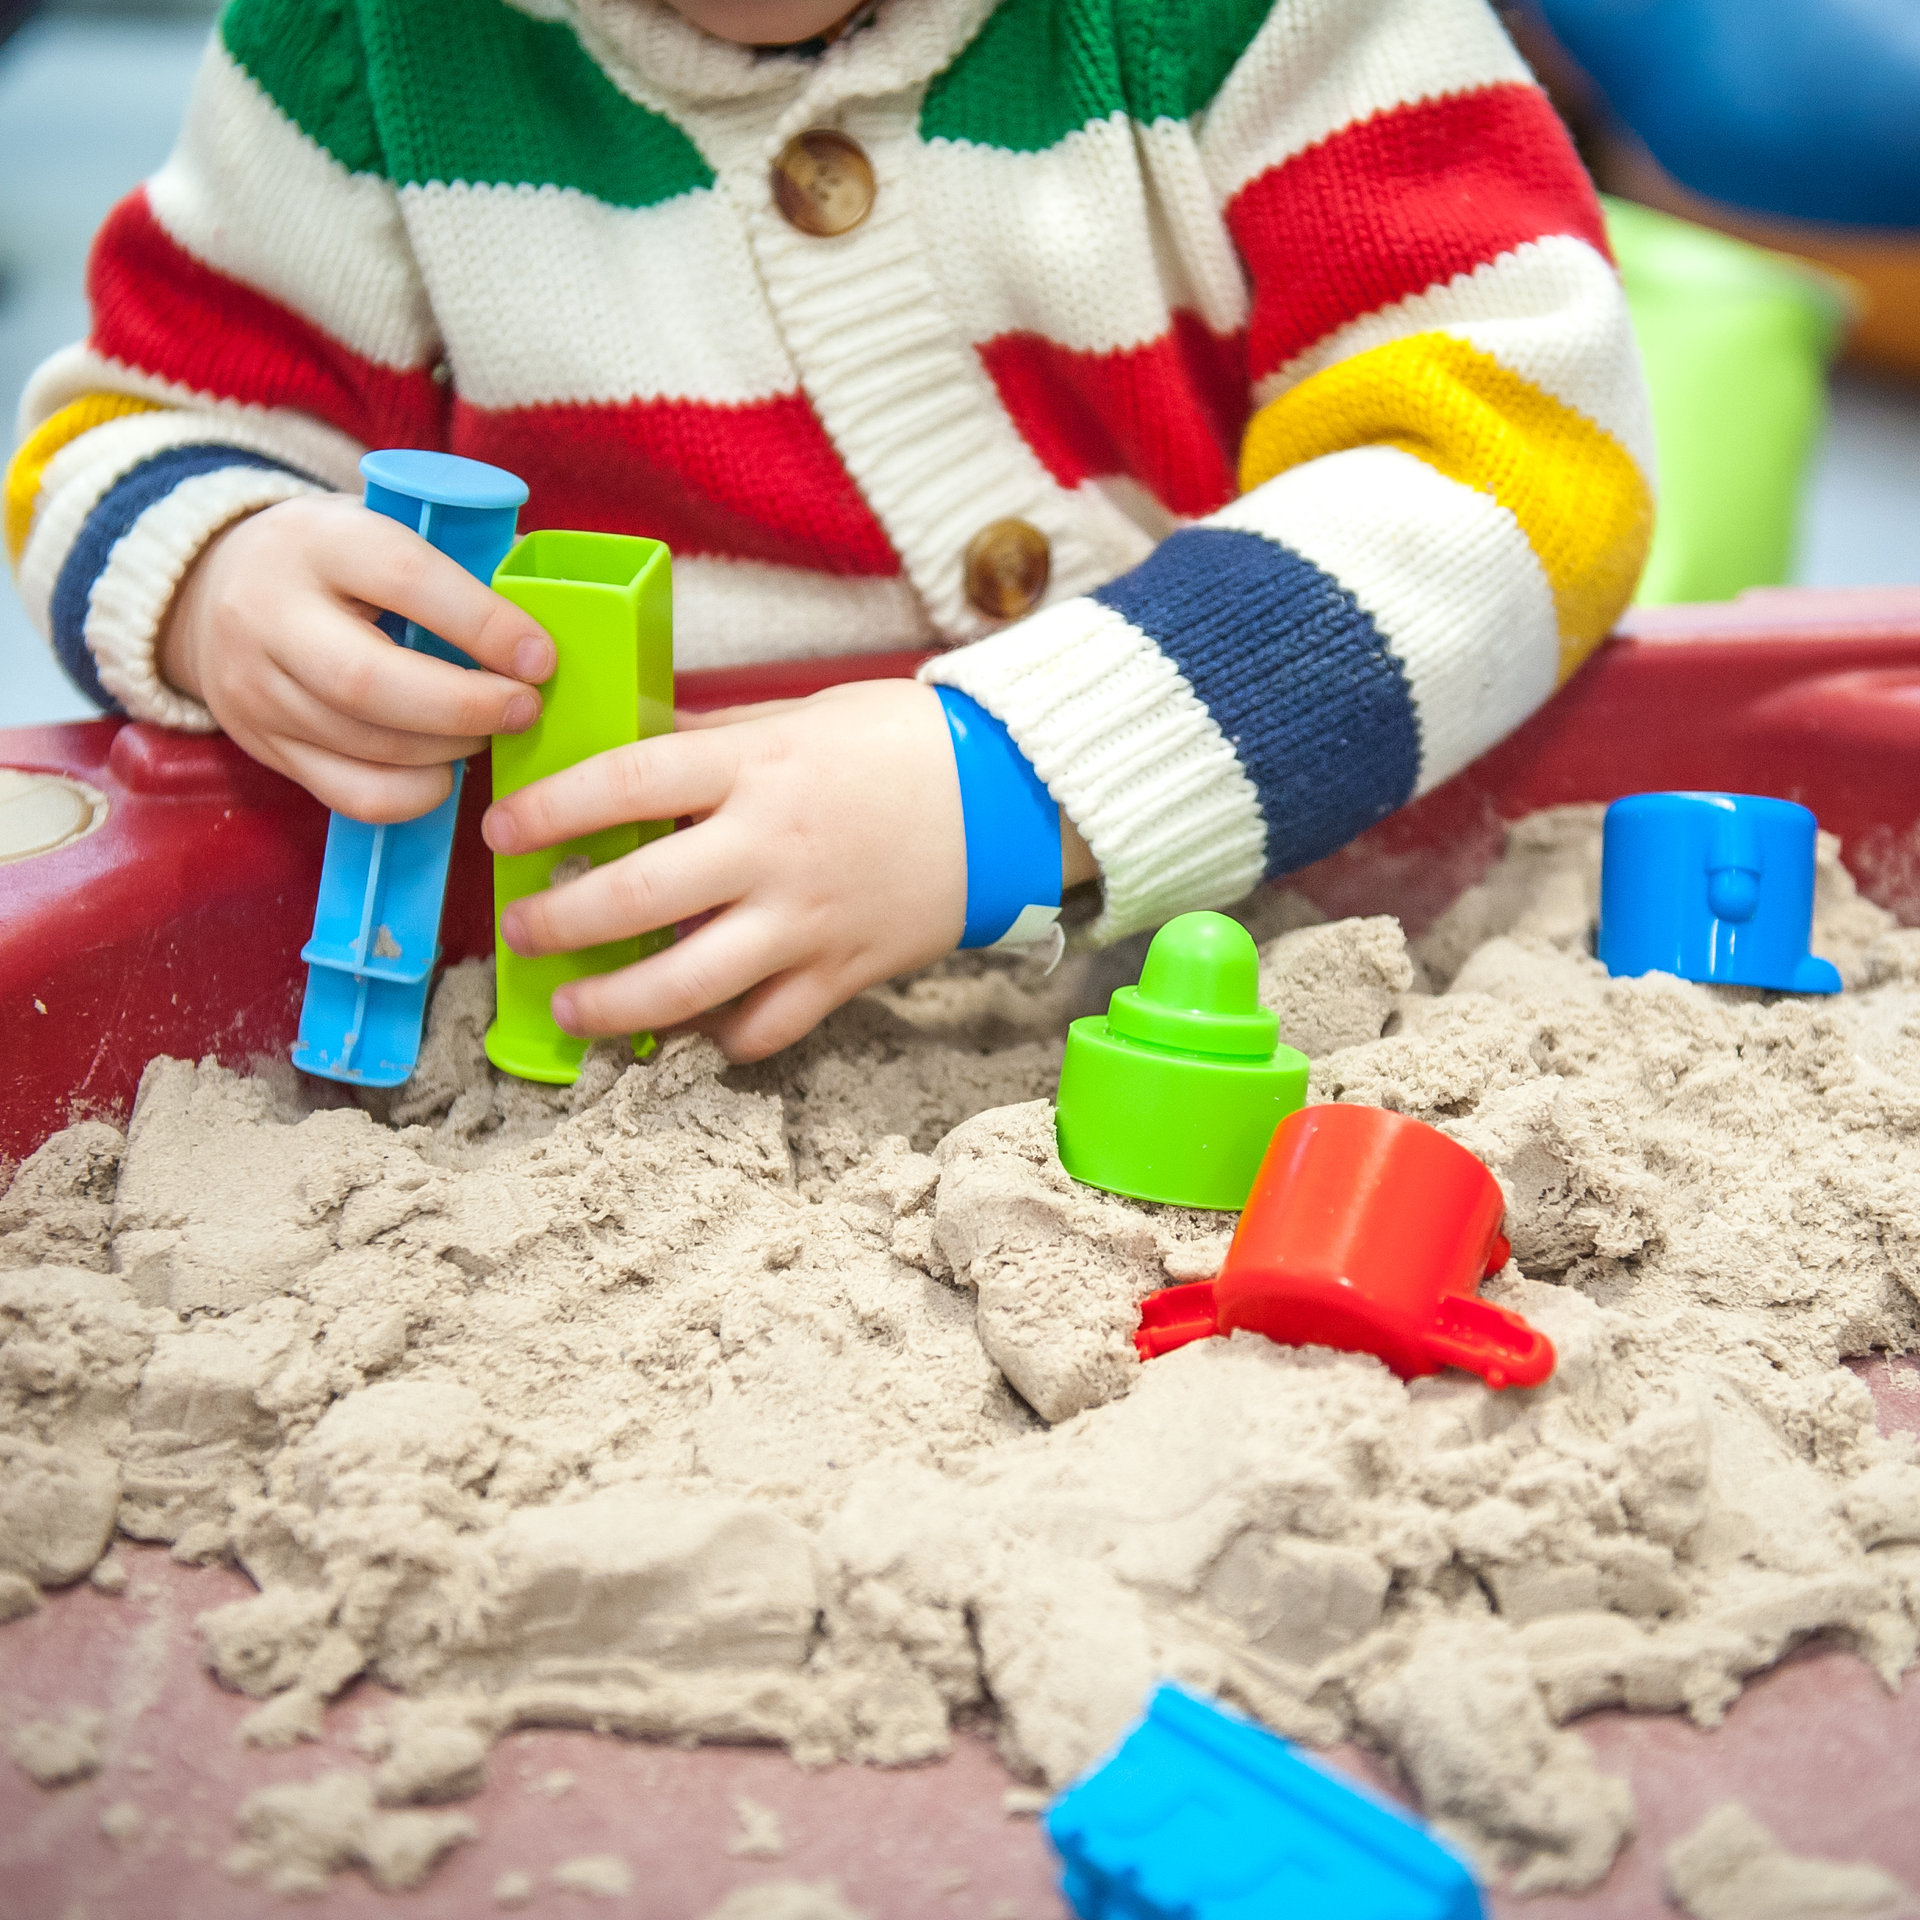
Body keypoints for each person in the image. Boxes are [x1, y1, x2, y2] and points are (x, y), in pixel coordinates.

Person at [4, 0, 1651, 1061]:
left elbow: (1522, 465)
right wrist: (222, 578)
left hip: (1251, 895)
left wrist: (1014, 778)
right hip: (616, 992)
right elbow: (129, 438)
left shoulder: (1262, 22)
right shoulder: (360, 49)